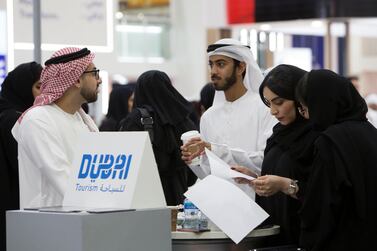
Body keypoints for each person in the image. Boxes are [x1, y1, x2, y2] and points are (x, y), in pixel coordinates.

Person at [233, 64, 318, 246]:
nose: (273, 111)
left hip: (303, 236)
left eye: (279, 102)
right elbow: (280, 175)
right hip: (274, 234)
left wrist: (283, 184)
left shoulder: (317, 137)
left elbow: (321, 191)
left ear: (298, 98)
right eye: (269, 103)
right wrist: (255, 179)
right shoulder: (279, 134)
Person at [295, 69, 377, 251]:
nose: (306, 115)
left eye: (305, 107)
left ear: (320, 103)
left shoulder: (330, 141)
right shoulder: (370, 131)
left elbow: (322, 206)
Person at [12, 47, 100, 209]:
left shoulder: (84, 120)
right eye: (94, 73)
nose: (99, 80)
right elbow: (62, 177)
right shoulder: (38, 119)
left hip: (85, 217)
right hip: (49, 223)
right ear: (77, 80)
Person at [181, 38, 276, 182]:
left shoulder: (264, 108)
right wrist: (194, 161)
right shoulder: (209, 117)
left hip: (256, 199)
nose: (213, 71)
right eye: (211, 65)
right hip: (219, 201)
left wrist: (215, 149)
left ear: (241, 68)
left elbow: (266, 160)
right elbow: (208, 175)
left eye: (221, 64)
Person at [119, 70, 197, 206]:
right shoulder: (185, 120)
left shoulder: (136, 119)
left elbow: (126, 165)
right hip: (179, 199)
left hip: (145, 200)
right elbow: (193, 171)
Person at [0, 61, 42, 251]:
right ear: (22, 89)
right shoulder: (15, 119)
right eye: (38, 86)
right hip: (12, 204)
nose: (43, 93)